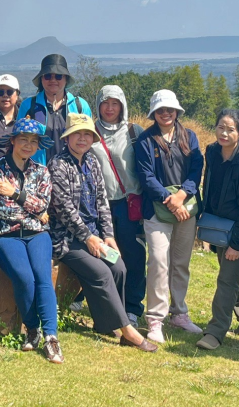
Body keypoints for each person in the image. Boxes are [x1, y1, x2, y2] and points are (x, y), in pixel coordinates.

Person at [49, 114, 158, 352]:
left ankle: (104, 324)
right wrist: (88, 238)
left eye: (87, 134)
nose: (82, 138)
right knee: (101, 273)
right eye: (77, 133)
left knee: (118, 267)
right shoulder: (58, 164)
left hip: (95, 235)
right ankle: (127, 330)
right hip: (67, 238)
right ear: (68, 137)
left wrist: (108, 235)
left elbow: (102, 203)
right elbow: (64, 208)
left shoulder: (92, 161)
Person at [0, 117, 62, 363]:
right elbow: (3, 210)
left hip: (37, 234)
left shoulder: (42, 171)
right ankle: (32, 328)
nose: (28, 145)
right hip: (4, 234)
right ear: (13, 141)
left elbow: (45, 205)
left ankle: (51, 337)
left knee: (43, 278)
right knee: (24, 278)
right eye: (23, 140)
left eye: (33, 141)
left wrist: (15, 193)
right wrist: (34, 210)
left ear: (38, 146)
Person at [134, 89, 204, 344]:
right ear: (154, 113)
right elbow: (146, 177)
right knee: (159, 263)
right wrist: (171, 201)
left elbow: (197, 168)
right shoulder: (145, 140)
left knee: (181, 262)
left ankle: (179, 313)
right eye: (161, 110)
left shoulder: (189, 137)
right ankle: (155, 319)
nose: (166, 114)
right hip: (157, 210)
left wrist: (183, 194)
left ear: (177, 111)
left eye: (170, 109)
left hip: (186, 207)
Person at [197, 108, 239, 351]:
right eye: (220, 127)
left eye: (231, 129)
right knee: (235, 272)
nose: (224, 133)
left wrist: (235, 243)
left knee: (226, 278)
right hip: (220, 225)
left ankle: (215, 332)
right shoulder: (212, 152)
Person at [89, 84, 146, 326]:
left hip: (129, 204)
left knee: (133, 255)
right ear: (98, 105)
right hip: (98, 205)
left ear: (122, 105)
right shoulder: (89, 132)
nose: (110, 108)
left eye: (115, 103)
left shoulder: (134, 132)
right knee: (103, 255)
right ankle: (108, 303)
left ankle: (132, 307)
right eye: (105, 103)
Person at [16, 53, 92, 164]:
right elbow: (18, 139)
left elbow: (89, 140)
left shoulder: (80, 106)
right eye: (48, 76)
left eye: (58, 76)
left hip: (72, 173)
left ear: (65, 79)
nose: (53, 80)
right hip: (36, 174)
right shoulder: (28, 106)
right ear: (42, 79)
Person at [0, 74, 21, 160]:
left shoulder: (24, 118)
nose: (5, 95)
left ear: (17, 95)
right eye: (0, 92)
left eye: (9, 92)